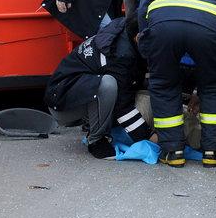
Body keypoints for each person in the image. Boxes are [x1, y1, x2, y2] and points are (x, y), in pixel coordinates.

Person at [137, 0, 216, 168]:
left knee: (164, 84)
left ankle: (173, 152)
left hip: (165, 21)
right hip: (212, 27)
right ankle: (212, 152)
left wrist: (145, 37)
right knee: (214, 86)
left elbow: (145, 4)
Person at [45, 16, 152, 159]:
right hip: (63, 104)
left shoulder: (127, 28)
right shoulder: (120, 55)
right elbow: (122, 105)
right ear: (138, 38)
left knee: (119, 85)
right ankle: (96, 140)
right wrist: (148, 137)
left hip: (73, 91)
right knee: (108, 85)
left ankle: (99, 125)